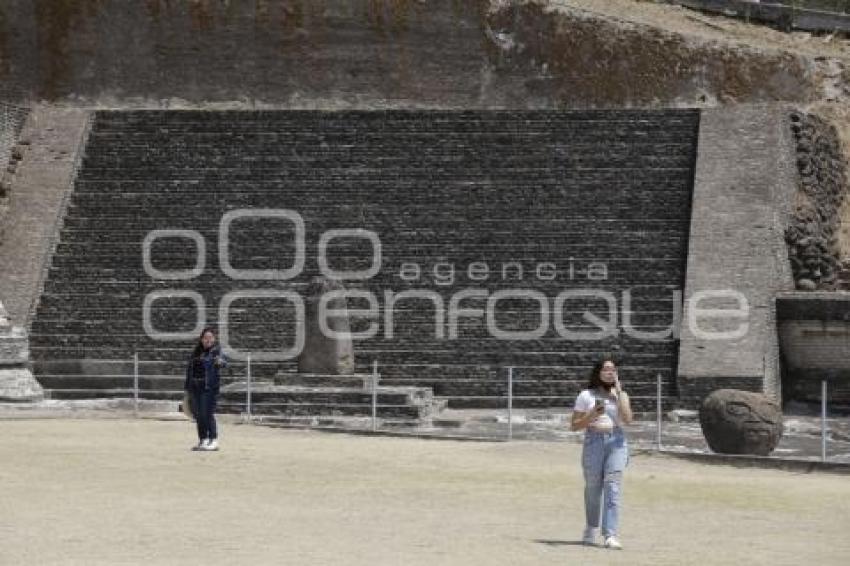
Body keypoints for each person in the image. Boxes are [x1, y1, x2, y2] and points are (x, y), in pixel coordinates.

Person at [570, 356, 633, 550]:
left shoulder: (621, 395)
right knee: (593, 487)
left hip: (617, 442)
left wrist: (619, 395)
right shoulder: (586, 396)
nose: (610, 372)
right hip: (594, 441)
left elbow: (628, 419)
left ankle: (610, 534)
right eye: (606, 369)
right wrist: (592, 415)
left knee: (613, 487)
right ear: (598, 373)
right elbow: (574, 426)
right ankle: (590, 528)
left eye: (613, 369)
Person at [184, 327, 228, 451]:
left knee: (207, 414)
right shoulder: (196, 352)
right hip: (195, 388)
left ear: (214, 339)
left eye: (210, 337)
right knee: (199, 416)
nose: (208, 340)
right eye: (205, 338)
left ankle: (213, 440)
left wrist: (220, 362)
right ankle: (203, 440)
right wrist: (187, 389)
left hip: (209, 389)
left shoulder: (216, 351)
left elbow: (224, 362)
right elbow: (189, 371)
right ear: (201, 339)